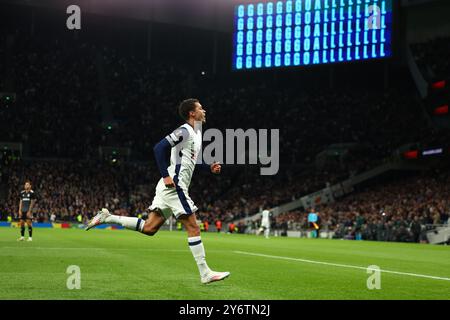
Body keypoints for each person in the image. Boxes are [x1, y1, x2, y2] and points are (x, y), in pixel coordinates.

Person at [86, 98, 230, 284]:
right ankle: (205, 273)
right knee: (193, 226)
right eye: (200, 108)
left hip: (170, 188)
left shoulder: (196, 134)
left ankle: (108, 218)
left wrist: (208, 166)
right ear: (192, 113)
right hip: (173, 186)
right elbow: (159, 148)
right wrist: (165, 176)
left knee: (150, 228)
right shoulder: (184, 131)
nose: (204, 111)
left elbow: (190, 161)